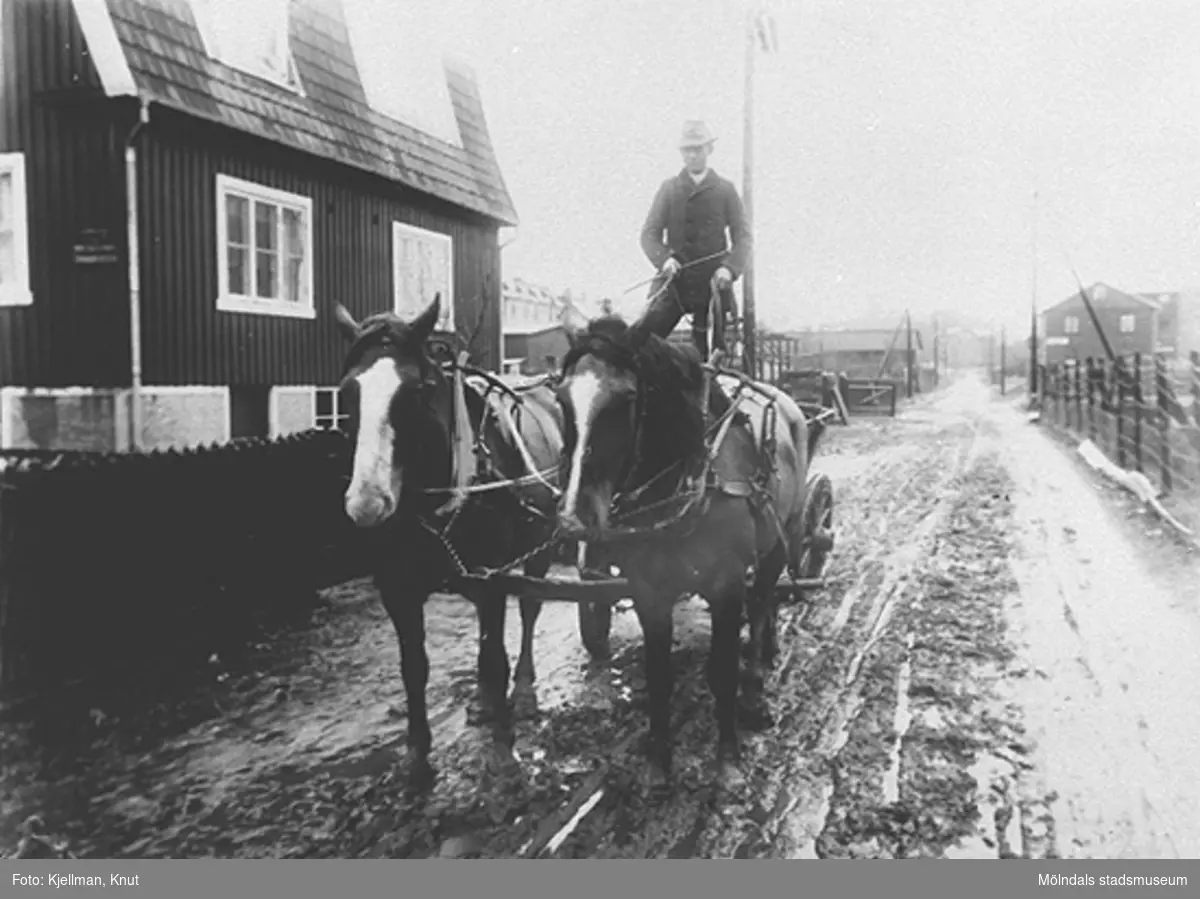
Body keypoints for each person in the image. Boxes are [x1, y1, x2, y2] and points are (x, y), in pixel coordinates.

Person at [635, 119, 751, 360]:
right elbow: (649, 235)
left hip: (711, 286)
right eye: (688, 150)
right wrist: (665, 261)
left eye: (698, 149)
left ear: (709, 150)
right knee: (640, 343)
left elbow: (743, 237)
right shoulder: (669, 189)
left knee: (711, 356)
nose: (693, 155)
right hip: (674, 282)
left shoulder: (725, 190)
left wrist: (729, 270)